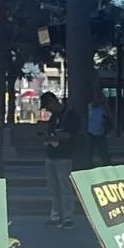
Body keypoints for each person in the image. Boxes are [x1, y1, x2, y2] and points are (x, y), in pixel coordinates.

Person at [40, 90, 80, 227]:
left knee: (64, 187)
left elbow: (69, 134)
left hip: (64, 155)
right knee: (53, 188)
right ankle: (55, 215)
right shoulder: (54, 116)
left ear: (53, 101)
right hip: (52, 154)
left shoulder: (69, 115)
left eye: (48, 106)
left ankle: (67, 217)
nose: (48, 110)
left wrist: (53, 137)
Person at [87, 90, 112, 165]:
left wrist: (106, 106)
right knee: (89, 152)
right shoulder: (89, 107)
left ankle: (106, 164)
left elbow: (109, 117)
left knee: (104, 152)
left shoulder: (103, 108)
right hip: (91, 133)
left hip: (101, 133)